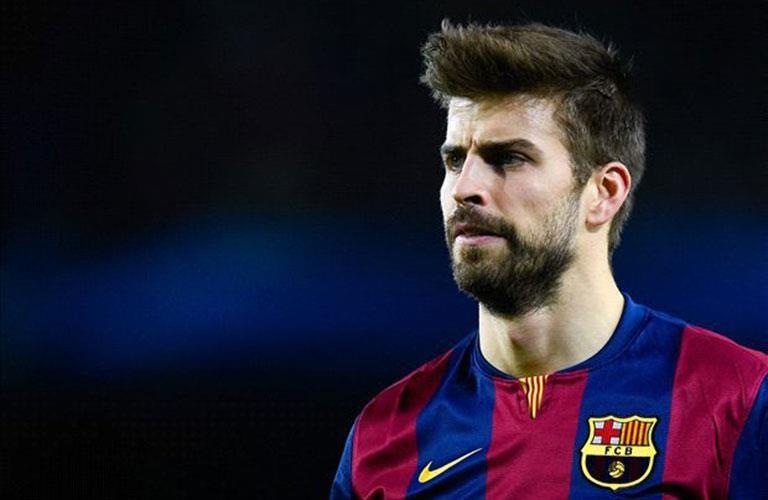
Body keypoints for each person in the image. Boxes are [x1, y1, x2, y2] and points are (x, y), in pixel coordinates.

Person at [330, 21, 767, 499]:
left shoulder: (739, 400)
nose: (464, 188)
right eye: (455, 161)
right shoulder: (385, 438)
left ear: (604, 192)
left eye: (508, 158)